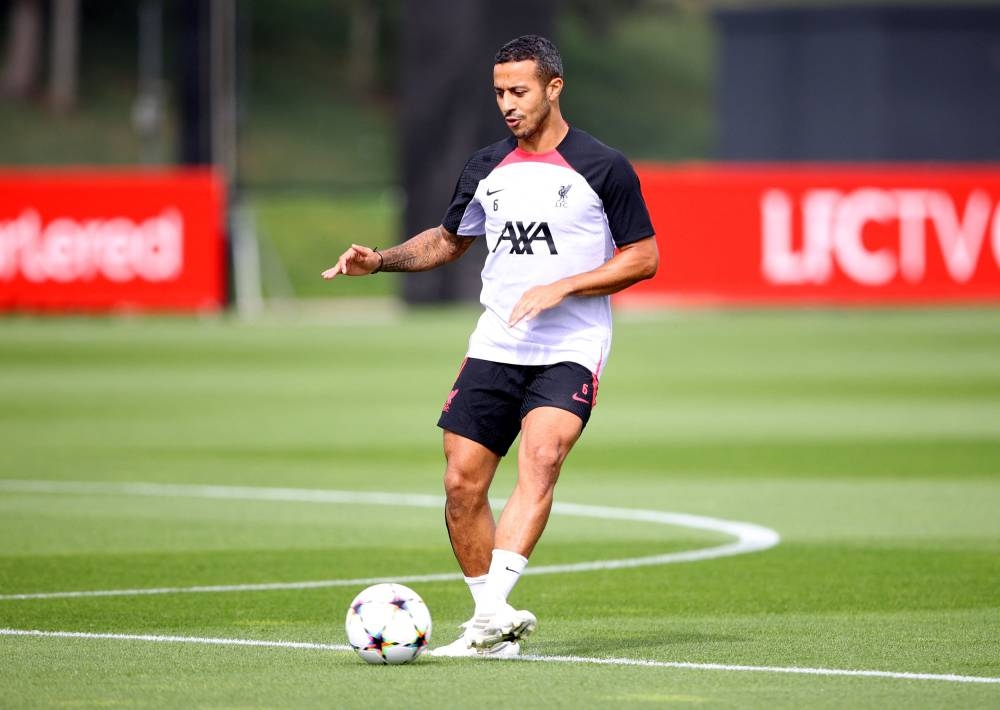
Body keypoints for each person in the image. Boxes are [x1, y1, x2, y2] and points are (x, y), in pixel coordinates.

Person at [323, 34, 658, 658]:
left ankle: (490, 617)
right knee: (460, 484)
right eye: (499, 92)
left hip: (571, 344)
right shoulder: (485, 167)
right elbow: (450, 240)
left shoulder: (602, 166)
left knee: (543, 457)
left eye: (519, 91)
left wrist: (567, 284)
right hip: (496, 342)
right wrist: (382, 260)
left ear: (554, 88)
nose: (507, 103)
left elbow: (644, 258)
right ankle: (491, 624)